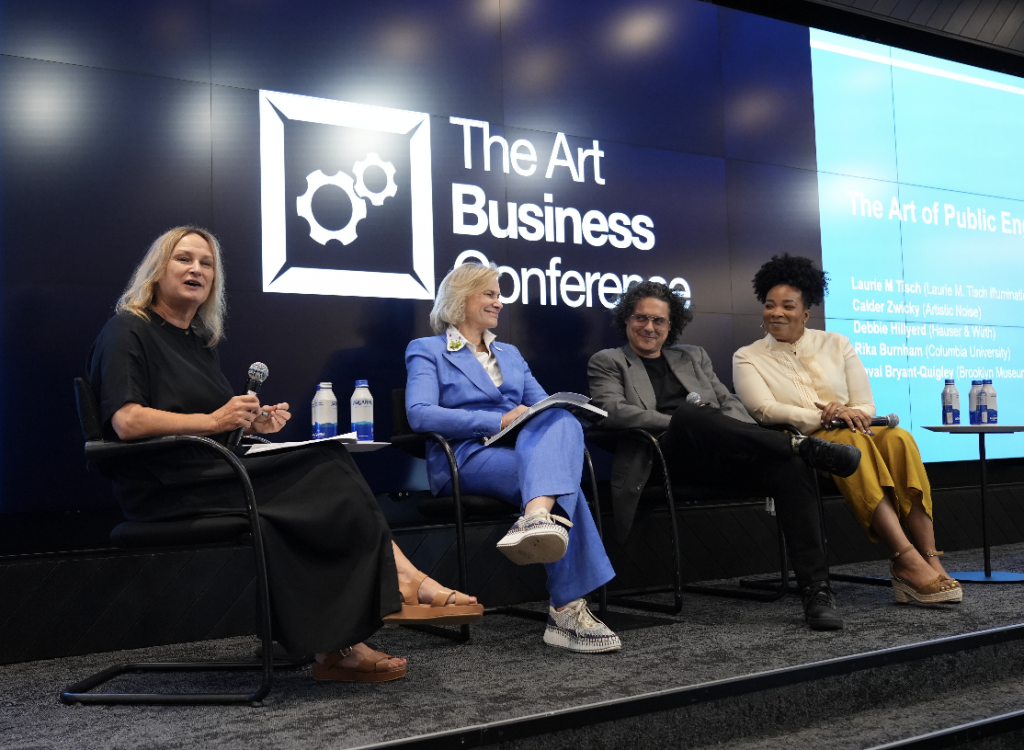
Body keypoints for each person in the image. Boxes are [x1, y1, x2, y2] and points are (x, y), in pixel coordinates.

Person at [87, 226, 483, 684]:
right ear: (158, 269)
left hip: (216, 472)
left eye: (207, 263)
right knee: (324, 470)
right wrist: (216, 421)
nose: (196, 269)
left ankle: (339, 646)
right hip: (166, 487)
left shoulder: (196, 341)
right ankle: (400, 588)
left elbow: (207, 420)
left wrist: (249, 424)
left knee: (322, 471)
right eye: (184, 259)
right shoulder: (128, 329)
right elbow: (127, 421)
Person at [588, 281, 864, 631]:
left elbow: (729, 401)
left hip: (719, 455)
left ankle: (816, 590)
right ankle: (800, 444)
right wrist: (685, 422)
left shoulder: (692, 356)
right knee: (693, 413)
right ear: (627, 320)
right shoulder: (609, 361)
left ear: (671, 326)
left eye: (659, 321)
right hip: (664, 460)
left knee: (790, 467)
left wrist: (717, 427)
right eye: (641, 318)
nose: (649, 327)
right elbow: (613, 410)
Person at [405, 262, 620, 653]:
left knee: (560, 416)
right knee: (563, 484)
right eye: (489, 294)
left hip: (522, 450)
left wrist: (567, 413)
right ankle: (566, 610)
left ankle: (537, 518)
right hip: (466, 456)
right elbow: (419, 414)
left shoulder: (511, 353)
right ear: (461, 298)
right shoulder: (428, 350)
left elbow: (542, 406)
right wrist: (496, 418)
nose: (499, 303)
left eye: (498, 295)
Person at [732, 254, 962, 606]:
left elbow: (866, 405)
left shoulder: (837, 343)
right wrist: (827, 418)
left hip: (855, 431)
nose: (776, 312)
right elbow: (763, 410)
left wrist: (850, 413)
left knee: (899, 438)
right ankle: (905, 558)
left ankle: (930, 557)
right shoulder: (747, 356)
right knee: (850, 439)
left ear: (806, 313)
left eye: (787, 306)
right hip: (804, 444)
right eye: (769, 305)